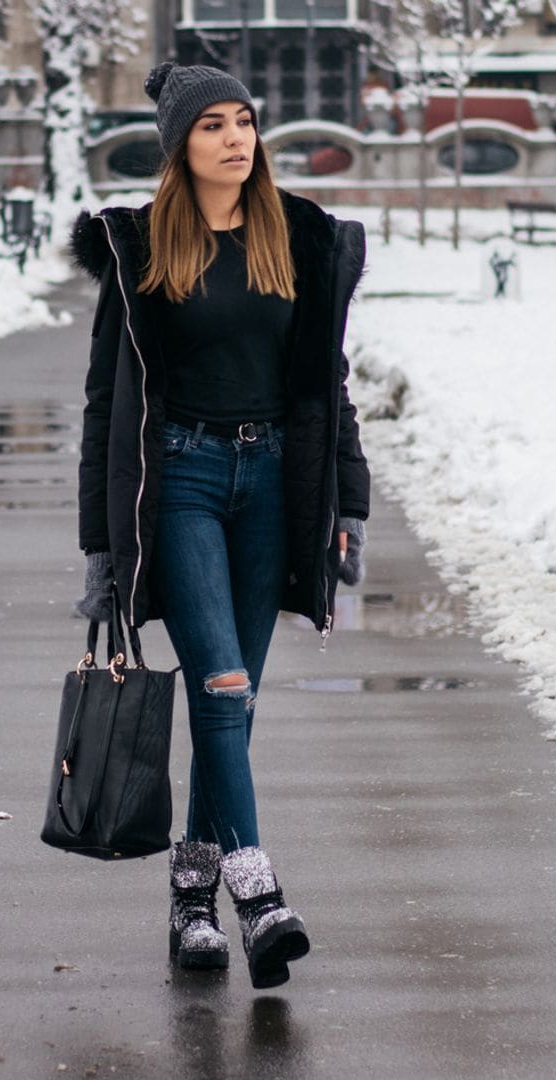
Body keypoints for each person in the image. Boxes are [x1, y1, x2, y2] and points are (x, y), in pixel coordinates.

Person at [70, 61, 370, 990]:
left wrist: (347, 501)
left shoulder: (301, 238)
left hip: (275, 482)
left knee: (228, 706)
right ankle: (257, 892)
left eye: (245, 121)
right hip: (185, 481)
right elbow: (103, 405)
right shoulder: (139, 249)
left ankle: (190, 895)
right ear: (178, 147)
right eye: (213, 126)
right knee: (225, 682)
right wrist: (99, 544)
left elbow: (330, 381)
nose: (237, 139)